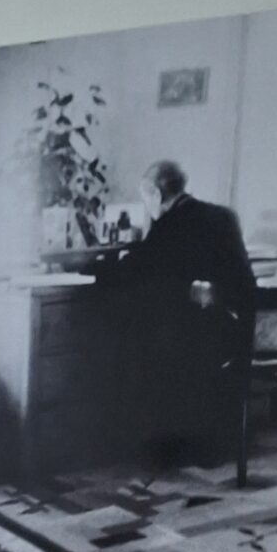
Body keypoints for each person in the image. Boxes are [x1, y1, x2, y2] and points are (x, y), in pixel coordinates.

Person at [98, 159, 259, 463]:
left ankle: (155, 446)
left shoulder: (169, 225)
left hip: (193, 340)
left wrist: (97, 269)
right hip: (230, 333)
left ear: (156, 194)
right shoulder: (225, 216)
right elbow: (244, 283)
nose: (147, 208)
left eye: (146, 199)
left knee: (131, 341)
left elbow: (136, 269)